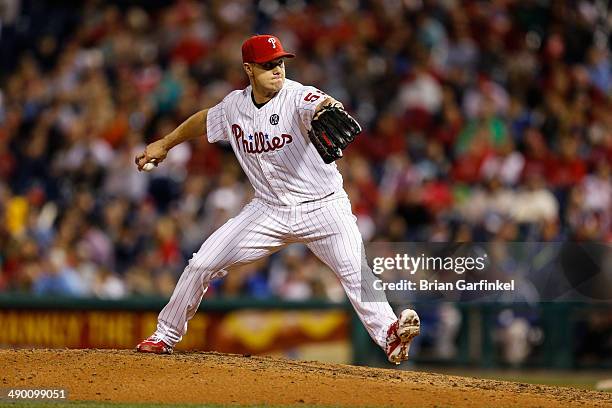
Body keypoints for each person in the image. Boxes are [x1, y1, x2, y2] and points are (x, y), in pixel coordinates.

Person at [134, 34, 420, 364]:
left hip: (323, 207)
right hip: (268, 210)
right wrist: (166, 143)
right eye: (268, 65)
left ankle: (390, 335)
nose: (277, 70)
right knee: (201, 262)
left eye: (280, 62)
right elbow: (204, 119)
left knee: (356, 271)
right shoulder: (234, 107)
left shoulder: (297, 96)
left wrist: (329, 108)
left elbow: (320, 103)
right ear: (249, 69)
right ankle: (164, 335)